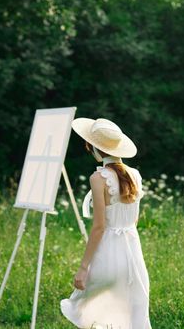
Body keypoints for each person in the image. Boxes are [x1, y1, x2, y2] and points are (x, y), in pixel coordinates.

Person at [60, 117, 152, 328]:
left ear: (94, 149)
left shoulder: (98, 178)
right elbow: (134, 219)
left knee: (86, 308)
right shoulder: (135, 175)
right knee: (130, 313)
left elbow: (100, 226)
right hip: (133, 253)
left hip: (108, 252)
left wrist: (83, 267)